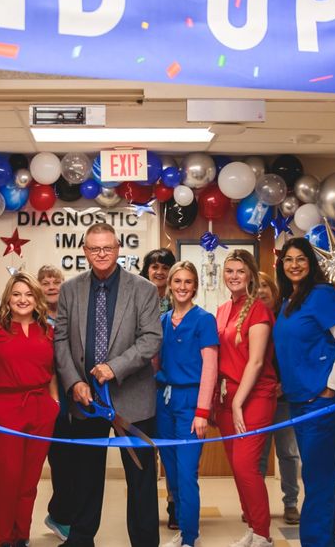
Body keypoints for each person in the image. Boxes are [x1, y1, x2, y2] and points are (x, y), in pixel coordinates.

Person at [54, 222, 162, 547]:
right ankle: (81, 538)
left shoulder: (143, 289)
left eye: (108, 248)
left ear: (118, 249)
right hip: (86, 402)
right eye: (94, 248)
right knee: (84, 477)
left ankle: (144, 542)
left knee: (140, 480)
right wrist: (74, 382)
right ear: (85, 251)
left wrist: (114, 368)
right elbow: (60, 340)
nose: (101, 254)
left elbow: (151, 339)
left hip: (134, 400)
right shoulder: (69, 290)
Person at [272, 237, 335, 547]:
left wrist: (330, 389)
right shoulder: (289, 299)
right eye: (288, 260)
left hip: (320, 403)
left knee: (319, 481)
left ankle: (320, 543)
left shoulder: (321, 295)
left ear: (311, 263)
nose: (294, 265)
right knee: (312, 476)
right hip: (299, 400)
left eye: (301, 259)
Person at [0, 272, 59, 547]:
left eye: (29, 294)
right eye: (16, 294)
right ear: (7, 298)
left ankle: (22, 536)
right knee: (7, 479)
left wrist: (54, 402)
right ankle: (5, 538)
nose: (22, 299)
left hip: (41, 409)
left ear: (37, 298)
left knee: (29, 482)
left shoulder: (47, 330)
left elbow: (52, 371)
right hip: (5, 407)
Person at [214, 250, 278, 547]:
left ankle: (263, 534)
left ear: (251, 274)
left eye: (240, 271)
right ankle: (252, 528)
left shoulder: (258, 310)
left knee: (245, 466)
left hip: (254, 397)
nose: (234, 276)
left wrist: (239, 401)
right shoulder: (224, 308)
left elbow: (255, 362)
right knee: (235, 466)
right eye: (229, 271)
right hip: (228, 397)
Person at [155, 261, 218, 547]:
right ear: (169, 285)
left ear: (195, 286)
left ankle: (190, 537)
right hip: (164, 401)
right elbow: (155, 362)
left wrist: (202, 411)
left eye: (188, 282)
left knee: (186, 471)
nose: (182, 287)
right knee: (171, 470)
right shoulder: (163, 320)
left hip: (191, 401)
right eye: (177, 281)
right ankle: (182, 529)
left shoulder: (204, 320)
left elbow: (210, 368)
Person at [254, 271, 302, 525]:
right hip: (259, 396)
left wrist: (285, 384)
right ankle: (256, 505)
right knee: (258, 455)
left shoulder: (286, 317)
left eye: (265, 285)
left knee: (288, 452)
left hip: (284, 397)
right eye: (256, 286)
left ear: (273, 289)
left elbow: (296, 356)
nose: (261, 291)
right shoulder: (250, 317)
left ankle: (291, 504)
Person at [139, 247, 178, 529]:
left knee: (172, 450)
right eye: (154, 266)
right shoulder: (137, 297)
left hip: (172, 384)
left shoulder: (181, 300)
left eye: (165, 266)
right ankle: (146, 509)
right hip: (141, 384)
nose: (159, 271)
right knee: (144, 450)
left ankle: (176, 504)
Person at [38, 265, 75, 541]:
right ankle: (60, 514)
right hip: (43, 396)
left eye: (56, 281)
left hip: (71, 394)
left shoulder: (70, 317)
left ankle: (62, 514)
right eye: (45, 282)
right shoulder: (34, 319)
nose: (51, 286)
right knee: (58, 459)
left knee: (71, 460)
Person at [140, 248, 176, 315]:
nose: (159, 272)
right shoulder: (138, 298)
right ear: (147, 271)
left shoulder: (178, 299)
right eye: (155, 267)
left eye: (165, 268)